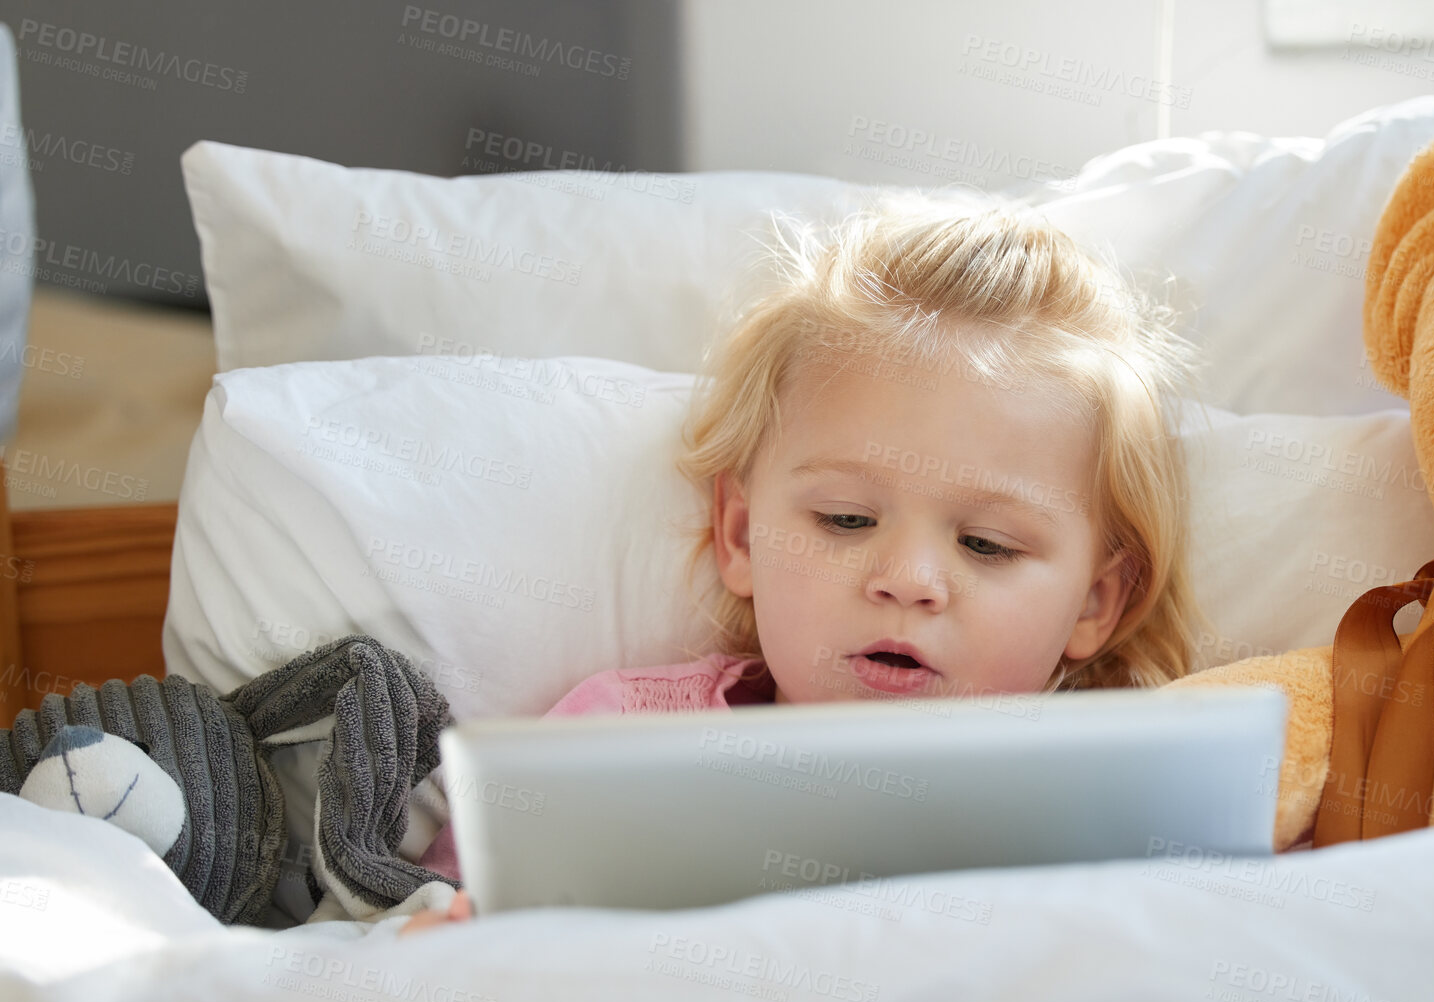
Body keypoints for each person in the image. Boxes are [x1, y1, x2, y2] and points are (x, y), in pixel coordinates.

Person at [401, 191, 1212, 934]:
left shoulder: (1128, 806)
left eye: (985, 545)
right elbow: (448, 930)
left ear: (1094, 604)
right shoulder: (614, 744)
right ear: (742, 537)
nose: (907, 579)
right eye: (846, 519)